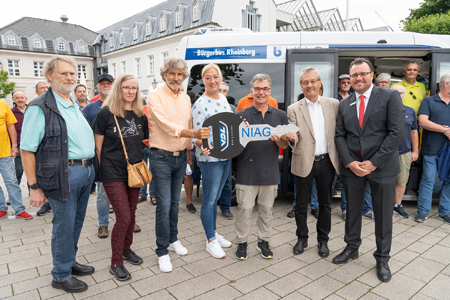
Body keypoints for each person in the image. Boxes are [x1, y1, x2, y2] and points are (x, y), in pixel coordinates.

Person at [21, 56, 95, 293]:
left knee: (76, 221)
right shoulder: (39, 107)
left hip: (85, 172)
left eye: (72, 73)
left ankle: (69, 261)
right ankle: (60, 275)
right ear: (50, 76)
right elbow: (27, 149)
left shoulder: (72, 102)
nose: (70, 78)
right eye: (64, 73)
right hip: (63, 174)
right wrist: (33, 187)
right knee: (63, 224)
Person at [334, 58, 404, 283]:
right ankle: (351, 247)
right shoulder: (345, 103)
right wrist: (349, 162)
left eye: (362, 74)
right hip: (353, 168)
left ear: (372, 75)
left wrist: (374, 162)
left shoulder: (389, 96)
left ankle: (382, 258)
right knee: (352, 210)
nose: (358, 78)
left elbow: (395, 132)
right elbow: (340, 136)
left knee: (383, 215)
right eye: (354, 75)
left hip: (381, 168)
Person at [147, 57, 209, 272]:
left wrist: (196, 146)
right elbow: (166, 125)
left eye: (179, 74)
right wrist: (192, 133)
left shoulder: (185, 98)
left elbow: (190, 124)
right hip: (161, 157)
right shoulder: (154, 96)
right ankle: (162, 250)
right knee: (163, 206)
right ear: (165, 74)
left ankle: (173, 240)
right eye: (172, 73)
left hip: (181, 156)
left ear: (184, 77)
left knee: (174, 203)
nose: (175, 78)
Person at [93, 73, 148, 281]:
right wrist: (99, 174)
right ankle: (116, 262)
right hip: (112, 173)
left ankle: (126, 250)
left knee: (132, 215)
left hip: (134, 172)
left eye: (134, 88)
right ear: (119, 89)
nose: (130, 91)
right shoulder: (105, 114)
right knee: (123, 217)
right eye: (126, 87)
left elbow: (141, 142)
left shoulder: (139, 114)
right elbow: (98, 148)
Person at [234, 73, 290, 260]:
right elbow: (234, 147)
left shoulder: (281, 115)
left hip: (269, 172)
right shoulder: (240, 116)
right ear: (251, 91)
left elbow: (283, 146)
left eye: (265, 88)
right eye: (257, 88)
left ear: (270, 91)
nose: (261, 92)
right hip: (246, 172)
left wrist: (280, 139)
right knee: (244, 210)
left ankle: (263, 241)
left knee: (267, 210)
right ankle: (242, 242)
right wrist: (242, 133)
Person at [287, 67, 339, 258]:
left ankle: (323, 240)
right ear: (301, 85)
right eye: (305, 82)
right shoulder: (293, 109)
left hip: (327, 161)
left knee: (325, 204)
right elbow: (295, 138)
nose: (310, 85)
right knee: (301, 204)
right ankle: (302, 238)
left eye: (313, 81)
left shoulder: (334, 104)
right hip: (303, 161)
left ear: (319, 83)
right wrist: (291, 138)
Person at [192, 63, 234, 259]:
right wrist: (202, 144)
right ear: (203, 80)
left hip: (226, 155)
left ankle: (214, 232)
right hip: (210, 158)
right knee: (209, 200)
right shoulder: (200, 103)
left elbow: (229, 126)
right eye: (208, 77)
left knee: (216, 197)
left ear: (220, 78)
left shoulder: (224, 99)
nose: (212, 81)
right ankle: (210, 240)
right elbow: (196, 135)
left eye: (215, 77)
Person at [83, 74, 120, 238]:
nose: (106, 85)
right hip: (102, 158)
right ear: (97, 87)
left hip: (121, 158)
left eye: (109, 83)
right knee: (103, 194)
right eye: (102, 83)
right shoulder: (89, 109)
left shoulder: (122, 105)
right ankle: (103, 223)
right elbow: (81, 133)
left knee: (124, 192)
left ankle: (126, 221)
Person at [415, 73, 450, 224]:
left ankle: (445, 212)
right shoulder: (428, 101)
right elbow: (422, 121)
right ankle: (423, 211)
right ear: (446, 84)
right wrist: (444, 130)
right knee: (428, 179)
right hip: (431, 148)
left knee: (449, 181)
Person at [0, 97, 32, 220]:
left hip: (4, 153)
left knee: (11, 181)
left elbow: (11, 126)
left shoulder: (2, 105)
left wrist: (14, 145)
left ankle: (18, 209)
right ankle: (2, 208)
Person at [391, 85, 419, 218]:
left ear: (404, 95)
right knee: (384, 180)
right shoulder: (383, 110)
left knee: (402, 180)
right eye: (395, 93)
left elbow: (414, 132)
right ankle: (383, 205)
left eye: (401, 93)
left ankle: (397, 206)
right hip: (387, 152)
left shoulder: (410, 111)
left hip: (404, 152)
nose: (398, 95)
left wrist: (415, 151)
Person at [35, 81, 52, 216]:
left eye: (47, 87)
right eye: (42, 88)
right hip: (42, 150)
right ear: (37, 91)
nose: (45, 90)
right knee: (44, 177)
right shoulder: (36, 107)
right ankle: (46, 203)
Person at [218, 81, 234, 220]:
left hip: (228, 151)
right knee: (213, 183)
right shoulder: (208, 107)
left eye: (224, 91)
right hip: (213, 151)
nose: (222, 93)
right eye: (219, 90)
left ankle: (225, 208)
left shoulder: (232, 109)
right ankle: (210, 207)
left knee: (227, 183)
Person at [139, 101, 156, 205]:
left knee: (152, 171)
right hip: (141, 145)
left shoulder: (157, 111)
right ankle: (143, 193)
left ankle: (152, 194)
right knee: (142, 171)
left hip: (153, 145)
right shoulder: (140, 110)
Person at [11, 91, 27, 185]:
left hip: (33, 146)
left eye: (22, 97)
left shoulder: (32, 110)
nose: (20, 100)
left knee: (33, 171)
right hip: (19, 147)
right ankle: (14, 193)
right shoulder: (11, 112)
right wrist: (13, 146)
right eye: (17, 98)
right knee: (19, 170)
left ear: (26, 99)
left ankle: (32, 193)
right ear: (13, 100)